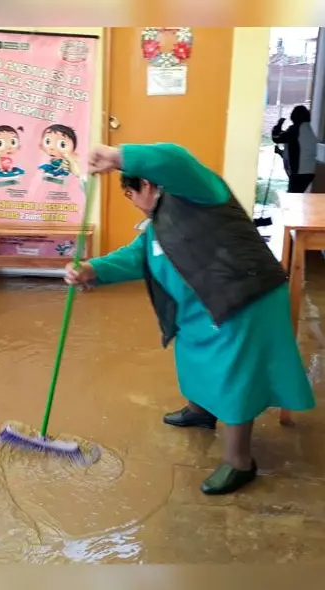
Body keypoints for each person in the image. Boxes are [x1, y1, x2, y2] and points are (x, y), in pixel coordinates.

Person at [64, 142, 315, 495]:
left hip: (242, 301)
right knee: (192, 356)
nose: (133, 202)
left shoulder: (200, 192)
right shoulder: (155, 226)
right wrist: (90, 269)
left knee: (234, 377)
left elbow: (176, 158)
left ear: (147, 186)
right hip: (201, 310)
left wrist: (118, 157)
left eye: (130, 194)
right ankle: (201, 410)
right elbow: (136, 256)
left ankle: (239, 461)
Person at [271, 105, 318, 194]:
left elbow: (276, 138)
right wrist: (280, 152)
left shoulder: (295, 129)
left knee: (293, 197)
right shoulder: (308, 130)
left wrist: (279, 124)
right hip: (309, 172)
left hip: (299, 173)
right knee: (297, 196)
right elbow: (297, 153)